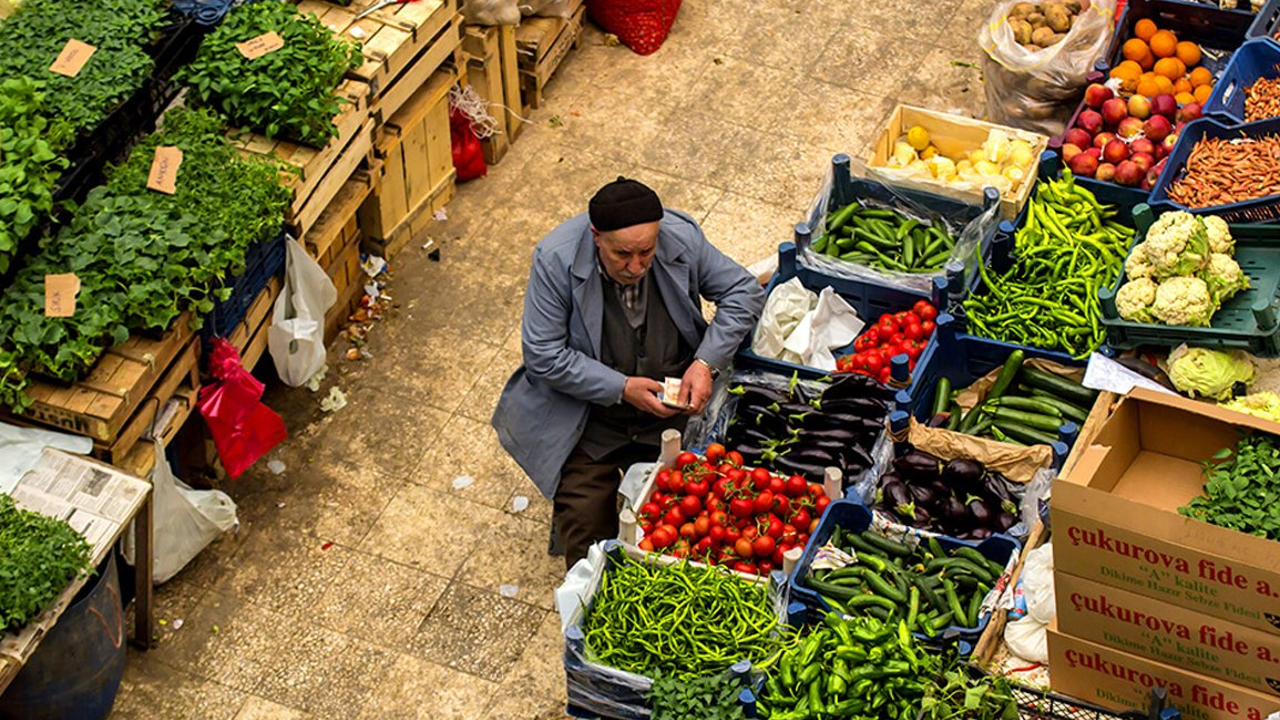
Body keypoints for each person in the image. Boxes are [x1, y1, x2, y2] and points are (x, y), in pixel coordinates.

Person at [492, 177, 766, 568]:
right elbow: (543, 354)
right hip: (589, 418)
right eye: (622, 254)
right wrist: (620, 388)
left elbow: (743, 291)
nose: (636, 266)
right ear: (596, 237)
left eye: (646, 252)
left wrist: (704, 363)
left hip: (670, 411)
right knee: (587, 525)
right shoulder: (556, 259)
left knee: (692, 514)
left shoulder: (680, 238)